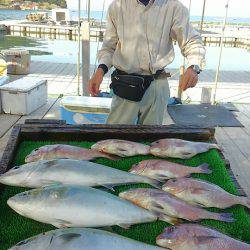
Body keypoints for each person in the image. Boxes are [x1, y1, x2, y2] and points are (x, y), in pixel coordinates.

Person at [88, 0, 206, 125]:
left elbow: (191, 41)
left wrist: (193, 67)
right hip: (125, 84)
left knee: (152, 139)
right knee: (114, 138)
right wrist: (100, 71)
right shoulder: (117, 6)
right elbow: (109, 47)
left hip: (157, 84)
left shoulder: (174, 7)